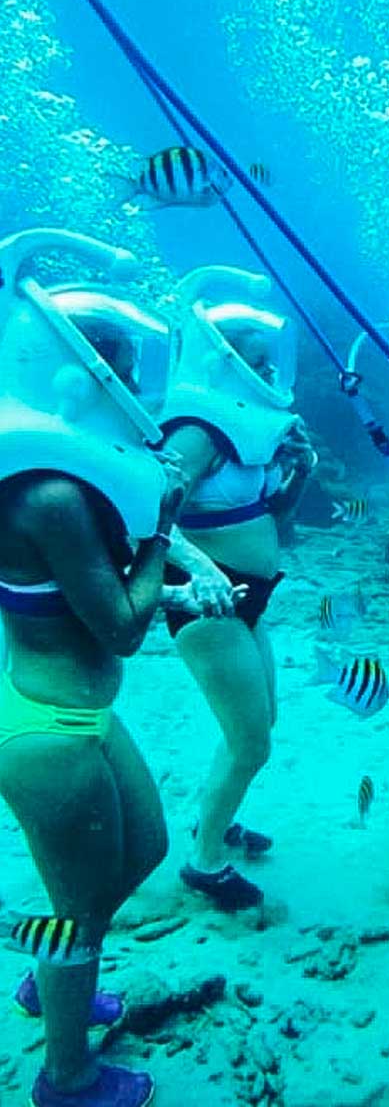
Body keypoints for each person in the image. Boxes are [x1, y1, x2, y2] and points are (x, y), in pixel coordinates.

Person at [0, 228, 187, 1107]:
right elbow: (119, 627)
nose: (126, 377)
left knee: (143, 849)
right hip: (48, 729)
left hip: (67, 712)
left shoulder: (55, 466)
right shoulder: (54, 492)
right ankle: (66, 1074)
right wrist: (161, 534)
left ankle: (56, 980)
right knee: (75, 908)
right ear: (69, 371)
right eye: (112, 358)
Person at [157, 266, 316, 911]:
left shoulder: (246, 419)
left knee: (258, 724)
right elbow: (149, 516)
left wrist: (297, 472)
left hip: (250, 597)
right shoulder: (193, 429)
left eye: (264, 354)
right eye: (250, 354)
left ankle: (213, 821)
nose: (263, 365)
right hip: (209, 605)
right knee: (252, 738)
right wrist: (201, 569)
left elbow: (270, 518)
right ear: (220, 356)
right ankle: (205, 863)